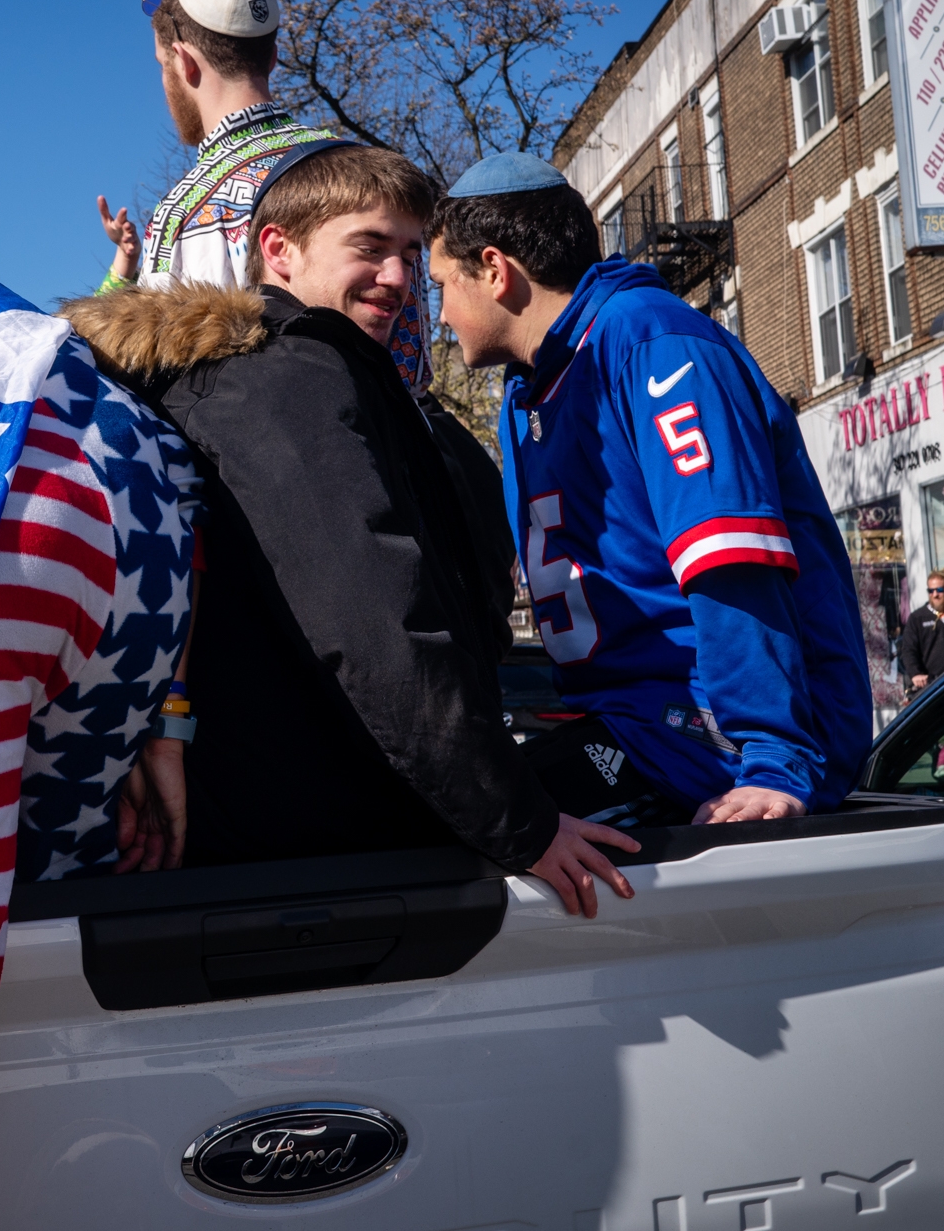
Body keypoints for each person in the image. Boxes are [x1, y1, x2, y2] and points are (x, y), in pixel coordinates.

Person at [61, 141, 637, 918]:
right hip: (318, 871)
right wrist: (521, 824)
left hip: (283, 859)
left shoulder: (278, 376)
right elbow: (375, 618)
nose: (399, 277)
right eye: (369, 246)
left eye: (409, 253)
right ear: (280, 250)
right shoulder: (288, 375)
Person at [429, 151, 872, 826]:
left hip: (711, 741)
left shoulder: (651, 341)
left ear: (495, 270)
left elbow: (729, 557)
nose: (440, 316)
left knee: (484, 837)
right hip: (628, 727)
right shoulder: (527, 393)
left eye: (442, 286)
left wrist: (773, 758)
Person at [92, 0, 335, 295]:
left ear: (184, 61)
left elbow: (155, 347)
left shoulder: (187, 215)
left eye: (164, 65)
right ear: (272, 58)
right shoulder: (368, 173)